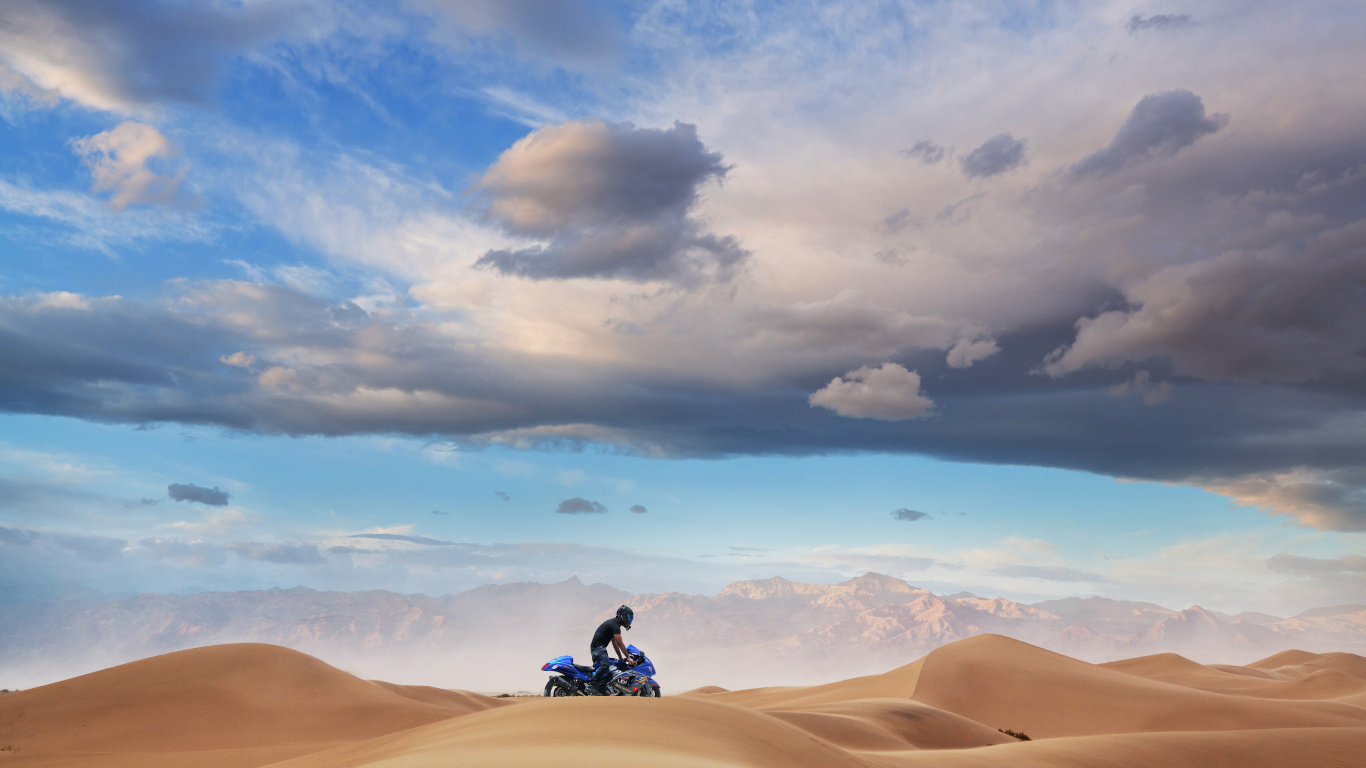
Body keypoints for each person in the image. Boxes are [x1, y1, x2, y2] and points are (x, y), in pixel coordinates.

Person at [588, 604, 633, 695]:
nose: (629, 620)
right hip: (598, 648)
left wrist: (620, 656)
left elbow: (615, 643)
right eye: (628, 617)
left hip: (598, 648)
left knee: (608, 669)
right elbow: (620, 643)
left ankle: (601, 688)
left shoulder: (614, 624)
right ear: (622, 616)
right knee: (605, 665)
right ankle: (591, 684)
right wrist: (628, 657)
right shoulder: (614, 625)